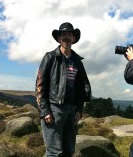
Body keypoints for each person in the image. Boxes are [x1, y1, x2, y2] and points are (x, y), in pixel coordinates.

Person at [36, 22, 92, 157]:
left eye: (69, 34)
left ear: (73, 38)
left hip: (72, 110)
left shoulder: (77, 60)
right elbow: (40, 85)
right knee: (54, 152)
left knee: (69, 150)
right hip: (54, 109)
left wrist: (79, 109)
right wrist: (45, 111)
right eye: (63, 35)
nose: (66, 37)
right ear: (59, 38)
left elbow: (80, 88)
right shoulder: (50, 57)